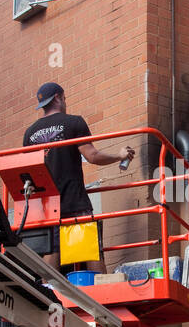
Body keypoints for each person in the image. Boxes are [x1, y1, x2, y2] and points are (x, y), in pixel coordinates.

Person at [21, 82, 134, 273]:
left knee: (51, 248)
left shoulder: (30, 133)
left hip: (46, 204)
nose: (65, 101)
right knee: (90, 250)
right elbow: (93, 156)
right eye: (64, 98)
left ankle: (49, 294)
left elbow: (26, 171)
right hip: (74, 200)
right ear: (58, 97)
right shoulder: (73, 122)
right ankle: (101, 294)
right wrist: (119, 155)